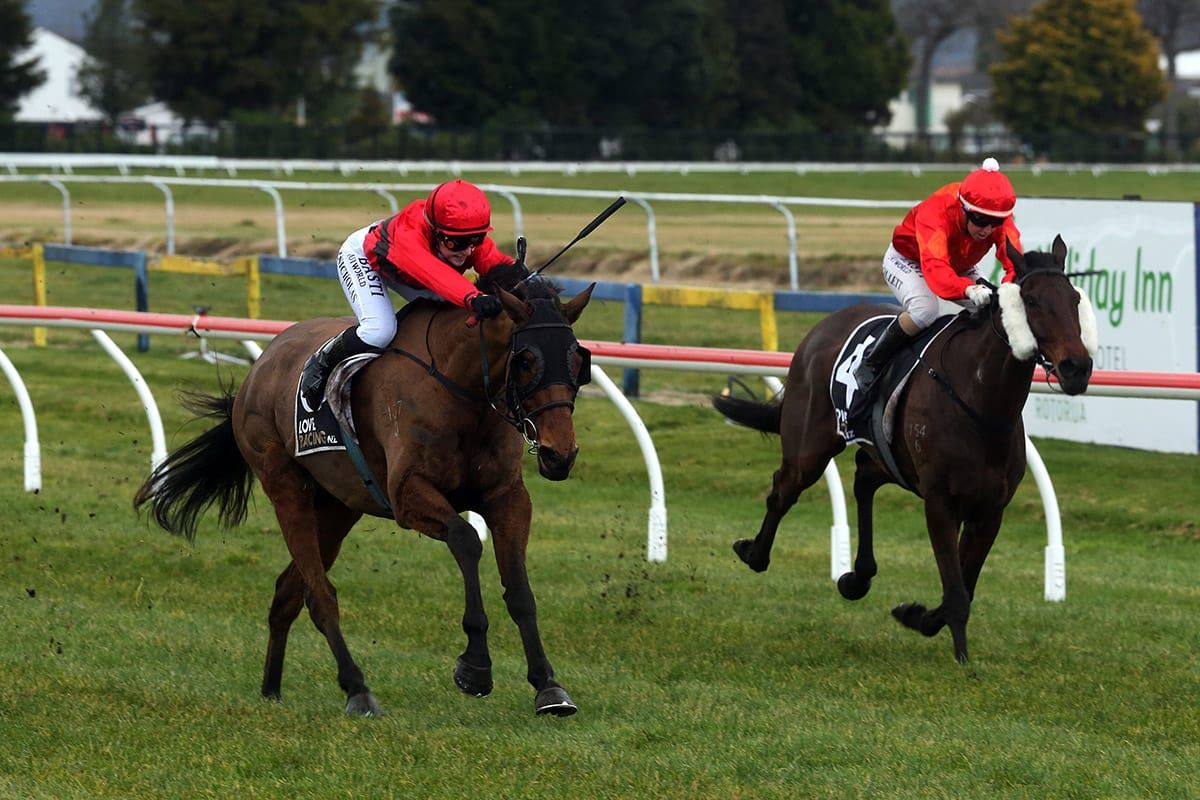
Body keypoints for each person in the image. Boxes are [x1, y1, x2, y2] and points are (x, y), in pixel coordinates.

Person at [300, 179, 520, 410]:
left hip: (410, 273)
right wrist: (474, 298)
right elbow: (435, 275)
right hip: (365, 259)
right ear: (434, 232)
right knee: (379, 331)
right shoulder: (409, 238)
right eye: (455, 243)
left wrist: (524, 279)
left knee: (456, 319)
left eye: (476, 240)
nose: (466, 251)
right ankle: (322, 361)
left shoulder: (462, 235)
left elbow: (496, 263)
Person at [849, 157, 1024, 416]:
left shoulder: (995, 216)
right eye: (979, 220)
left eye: (994, 223)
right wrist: (968, 289)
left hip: (958, 264)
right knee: (925, 310)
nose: (987, 230)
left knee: (991, 311)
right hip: (910, 260)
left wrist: (1007, 288)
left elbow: (1015, 261)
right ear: (965, 209)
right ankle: (872, 362)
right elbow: (936, 270)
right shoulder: (936, 212)